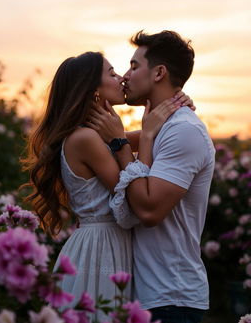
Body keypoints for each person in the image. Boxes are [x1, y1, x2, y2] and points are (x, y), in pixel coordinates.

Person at [22, 51, 192, 315]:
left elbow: (136, 137)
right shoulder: (85, 139)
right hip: (99, 248)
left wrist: (174, 103)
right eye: (111, 74)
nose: (121, 78)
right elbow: (134, 186)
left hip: (107, 242)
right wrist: (146, 135)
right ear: (94, 91)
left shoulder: (94, 135)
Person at [87, 30, 216, 323]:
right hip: (147, 294)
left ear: (159, 73)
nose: (125, 76)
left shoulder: (184, 130)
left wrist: (120, 143)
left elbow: (148, 209)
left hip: (172, 296)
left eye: (134, 66)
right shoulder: (161, 128)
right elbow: (111, 139)